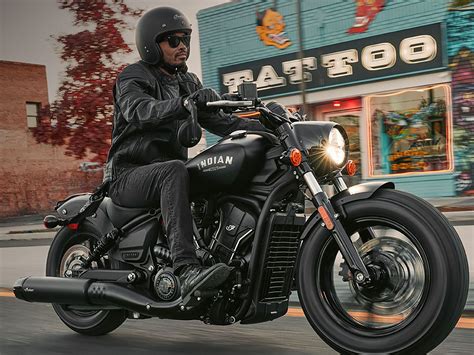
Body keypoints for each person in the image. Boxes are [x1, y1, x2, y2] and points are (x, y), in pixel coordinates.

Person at [103, 7, 267, 301]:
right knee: (175, 169)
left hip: (167, 171)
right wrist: (186, 103)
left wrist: (271, 124)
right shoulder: (134, 76)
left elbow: (224, 123)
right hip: (128, 174)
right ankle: (185, 267)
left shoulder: (187, 81)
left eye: (185, 39)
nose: (182, 46)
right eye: (173, 40)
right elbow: (139, 110)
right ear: (152, 45)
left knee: (214, 171)